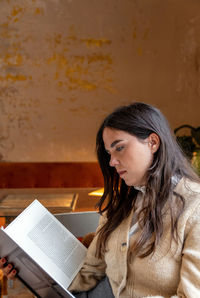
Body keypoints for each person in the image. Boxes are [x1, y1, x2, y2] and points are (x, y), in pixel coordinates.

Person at [1, 102, 200, 297]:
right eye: (109, 153)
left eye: (119, 148)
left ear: (153, 143)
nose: (112, 162)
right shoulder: (122, 203)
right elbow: (89, 273)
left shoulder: (194, 207)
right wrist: (30, 271)